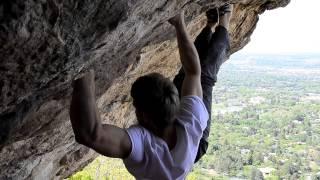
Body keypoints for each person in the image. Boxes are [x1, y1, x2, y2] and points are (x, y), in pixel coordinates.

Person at [69, 4, 232, 179]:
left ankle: (224, 20)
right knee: (200, 76)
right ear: (175, 104)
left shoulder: (145, 148)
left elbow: (92, 134)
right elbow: (194, 71)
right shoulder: (192, 123)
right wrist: (179, 23)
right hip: (195, 145)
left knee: (203, 75)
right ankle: (212, 25)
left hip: (187, 151)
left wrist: (82, 64)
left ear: (143, 115)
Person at [173, 4, 233, 162]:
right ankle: (225, 21)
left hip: (177, 128)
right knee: (204, 76)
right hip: (195, 140)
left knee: (186, 73)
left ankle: (210, 25)